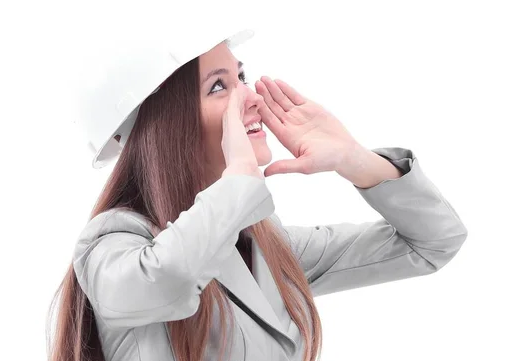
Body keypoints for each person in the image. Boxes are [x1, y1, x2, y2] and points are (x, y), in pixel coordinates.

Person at [47, 26, 468, 361]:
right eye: (218, 86)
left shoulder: (267, 248)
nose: (250, 97)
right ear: (165, 127)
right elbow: (168, 280)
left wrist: (355, 160)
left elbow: (434, 241)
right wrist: (240, 180)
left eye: (241, 76)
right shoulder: (111, 243)